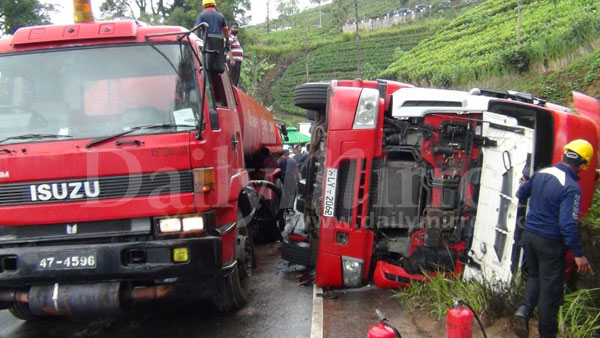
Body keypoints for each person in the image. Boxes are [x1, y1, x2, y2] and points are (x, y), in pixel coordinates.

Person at [513, 139, 595, 338]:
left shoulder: (542, 174)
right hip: (549, 243)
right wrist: (578, 254)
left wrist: (528, 185)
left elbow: (520, 193)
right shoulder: (572, 189)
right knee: (550, 290)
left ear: (564, 155)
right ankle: (547, 334)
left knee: (534, 276)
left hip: (529, 236)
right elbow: (567, 224)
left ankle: (523, 310)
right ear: (583, 165)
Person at [195, 0, 229, 74]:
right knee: (218, 65)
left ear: (204, 5)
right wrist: (227, 43)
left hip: (207, 43)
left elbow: (197, 29)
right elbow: (226, 30)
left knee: (206, 64)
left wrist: (197, 43)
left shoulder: (202, 15)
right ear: (214, 5)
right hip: (219, 45)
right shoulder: (221, 16)